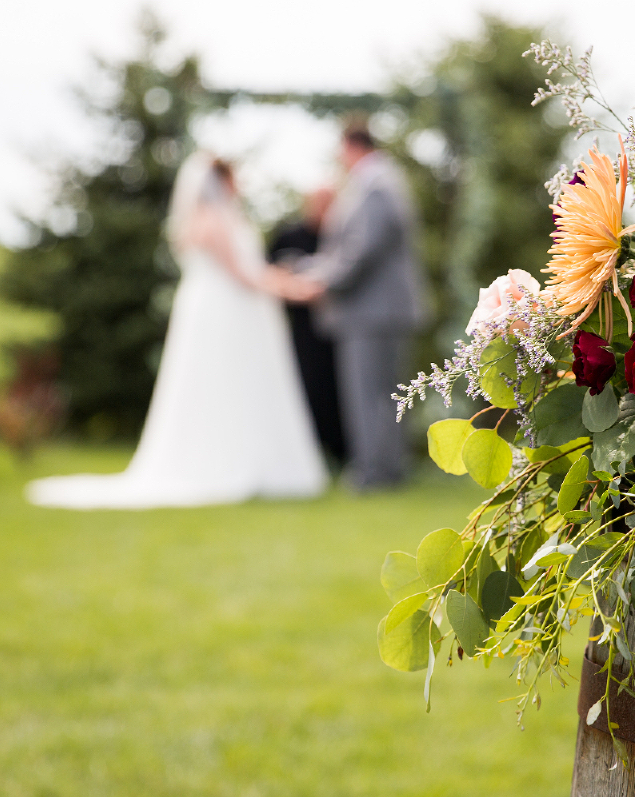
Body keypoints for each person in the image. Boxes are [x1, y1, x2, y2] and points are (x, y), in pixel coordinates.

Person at [27, 155, 326, 509]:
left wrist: (282, 282)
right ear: (220, 182)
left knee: (227, 386)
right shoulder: (213, 221)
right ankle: (228, 463)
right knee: (223, 386)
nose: (239, 185)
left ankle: (247, 460)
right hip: (224, 315)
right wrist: (291, 288)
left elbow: (250, 271)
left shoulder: (209, 220)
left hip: (222, 312)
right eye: (233, 179)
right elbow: (243, 275)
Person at [277, 124, 427, 491]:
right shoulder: (380, 182)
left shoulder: (375, 184)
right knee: (385, 395)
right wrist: (313, 269)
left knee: (370, 395)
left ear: (351, 146)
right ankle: (385, 470)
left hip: (372, 311)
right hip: (377, 310)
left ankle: (373, 473)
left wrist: (319, 280)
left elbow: (361, 251)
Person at [266, 186, 346, 464]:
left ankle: (339, 451)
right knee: (304, 384)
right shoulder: (288, 236)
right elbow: (270, 273)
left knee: (336, 388)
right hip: (300, 328)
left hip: (336, 329)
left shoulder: (339, 238)